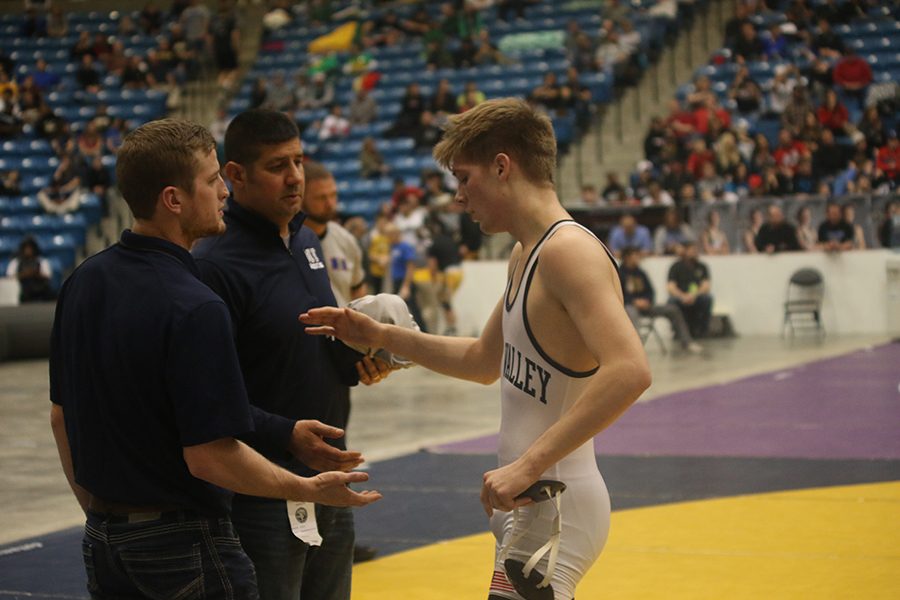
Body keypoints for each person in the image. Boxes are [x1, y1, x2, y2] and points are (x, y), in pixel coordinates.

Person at [300, 98, 651, 600]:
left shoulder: (567, 252)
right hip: (530, 502)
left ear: (502, 167)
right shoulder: (525, 253)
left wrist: (528, 465)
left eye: (464, 178)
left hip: (555, 503)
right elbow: (483, 362)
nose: (460, 197)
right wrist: (381, 337)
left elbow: (631, 370)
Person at [49, 119, 380, 599]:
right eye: (212, 181)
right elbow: (209, 454)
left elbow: (62, 417)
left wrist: (105, 516)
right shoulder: (196, 299)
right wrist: (305, 488)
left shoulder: (83, 281)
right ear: (174, 199)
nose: (222, 191)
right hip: (188, 536)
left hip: (107, 537)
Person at [191, 110, 387, 600]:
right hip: (261, 489)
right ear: (235, 175)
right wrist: (283, 434)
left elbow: (308, 341)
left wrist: (357, 362)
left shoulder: (307, 241)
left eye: (298, 161)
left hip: (329, 471)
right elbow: (209, 395)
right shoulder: (214, 265)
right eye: (279, 165)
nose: (295, 176)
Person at [619, 247, 702, 353]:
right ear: (627, 258)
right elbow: (618, 294)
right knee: (631, 314)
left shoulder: (641, 273)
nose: (638, 258)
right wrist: (633, 302)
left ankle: (687, 342)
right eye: (635, 255)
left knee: (673, 309)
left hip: (646, 305)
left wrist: (647, 301)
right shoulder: (619, 273)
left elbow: (651, 291)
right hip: (628, 306)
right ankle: (636, 349)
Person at [666, 241, 712, 339]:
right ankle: (677, 331)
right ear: (685, 251)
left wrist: (693, 295)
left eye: (696, 250)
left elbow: (706, 286)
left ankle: (702, 330)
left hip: (696, 296)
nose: (695, 252)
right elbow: (671, 287)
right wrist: (682, 296)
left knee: (707, 299)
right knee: (671, 301)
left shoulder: (701, 267)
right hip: (680, 297)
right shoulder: (676, 267)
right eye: (692, 250)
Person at [5, 236, 54, 302]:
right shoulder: (16, 262)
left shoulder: (41, 261)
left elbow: (48, 276)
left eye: (30, 248)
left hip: (39, 290)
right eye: (26, 248)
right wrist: (24, 274)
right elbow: (9, 277)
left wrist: (36, 274)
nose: (28, 250)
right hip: (21, 290)